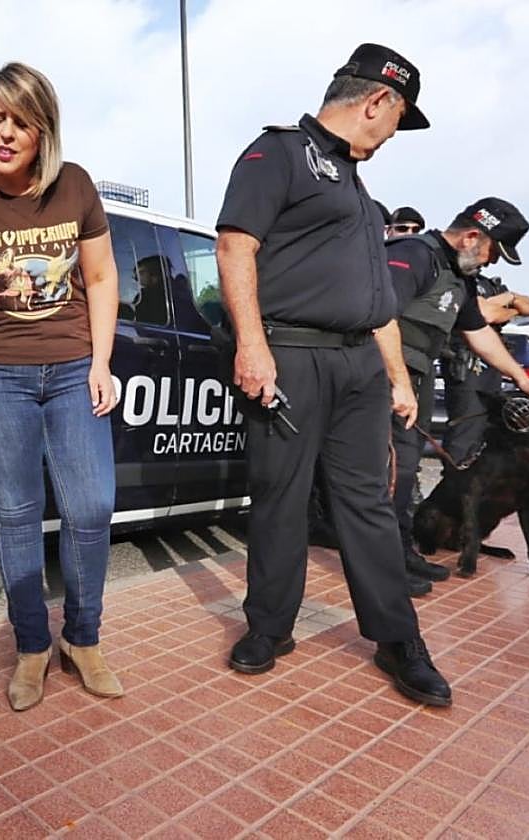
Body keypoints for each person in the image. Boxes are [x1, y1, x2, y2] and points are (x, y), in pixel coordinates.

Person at [215, 43, 453, 707]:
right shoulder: (280, 153)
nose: (390, 136)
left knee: (368, 504)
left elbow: (375, 299)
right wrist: (252, 347)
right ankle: (268, 628)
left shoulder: (354, 183)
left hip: (358, 369)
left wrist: (398, 378)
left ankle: (398, 639)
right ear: (378, 100)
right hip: (291, 356)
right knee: (280, 497)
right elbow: (236, 244)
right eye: (396, 119)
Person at [0, 62, 122, 712]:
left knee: (91, 506)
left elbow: (100, 278)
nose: (3, 134)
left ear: (44, 133)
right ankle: (33, 645)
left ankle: (83, 638)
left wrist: (101, 361)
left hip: (71, 367)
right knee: (16, 515)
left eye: (21, 123)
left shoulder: (75, 187)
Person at [385, 198, 529, 584]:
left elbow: (479, 333)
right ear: (472, 236)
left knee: (405, 471)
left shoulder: (460, 276)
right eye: (493, 252)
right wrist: (398, 382)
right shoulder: (415, 253)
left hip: (415, 376)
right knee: (384, 472)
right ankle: (381, 564)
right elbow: (380, 316)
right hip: (384, 376)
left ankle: (399, 551)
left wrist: (521, 379)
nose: (492, 263)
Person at [441, 273, 529, 463]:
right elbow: (486, 314)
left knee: (488, 424)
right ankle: (455, 477)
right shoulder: (459, 280)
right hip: (466, 361)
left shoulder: (488, 283)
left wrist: (509, 298)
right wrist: (511, 306)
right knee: (466, 425)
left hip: (491, 364)